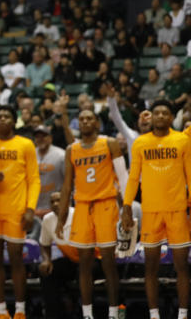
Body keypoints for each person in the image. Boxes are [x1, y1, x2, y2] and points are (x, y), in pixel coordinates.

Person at [122, 100, 191, 319]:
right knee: (150, 267)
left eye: (165, 113)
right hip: (150, 211)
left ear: (172, 118)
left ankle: (182, 315)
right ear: (151, 117)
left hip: (177, 210)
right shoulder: (141, 143)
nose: (160, 116)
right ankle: (154, 315)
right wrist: (126, 206)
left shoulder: (182, 140)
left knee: (182, 267)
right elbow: (133, 178)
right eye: (157, 112)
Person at [57, 109, 128, 319]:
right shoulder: (72, 149)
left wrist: (126, 209)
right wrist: (61, 216)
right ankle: (87, 314)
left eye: (90, 118)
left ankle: (113, 312)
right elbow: (67, 186)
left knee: (108, 262)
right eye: (82, 119)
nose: (85, 121)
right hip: (82, 207)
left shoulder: (109, 143)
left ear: (97, 123)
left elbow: (124, 179)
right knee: (84, 263)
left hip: (106, 205)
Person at [0, 106, 40, 319]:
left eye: (7, 116)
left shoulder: (25, 144)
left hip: (16, 210)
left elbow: (34, 179)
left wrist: (30, 209)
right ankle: (0, 311)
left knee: (17, 259)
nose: (2, 119)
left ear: (14, 121)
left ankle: (20, 310)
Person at [39, 191, 78, 319]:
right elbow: (44, 244)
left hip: (90, 259)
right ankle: (54, 315)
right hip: (71, 260)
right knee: (47, 272)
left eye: (59, 200)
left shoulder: (78, 215)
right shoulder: (47, 219)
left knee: (85, 273)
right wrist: (46, 260)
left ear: (68, 200)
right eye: (52, 202)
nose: (55, 204)